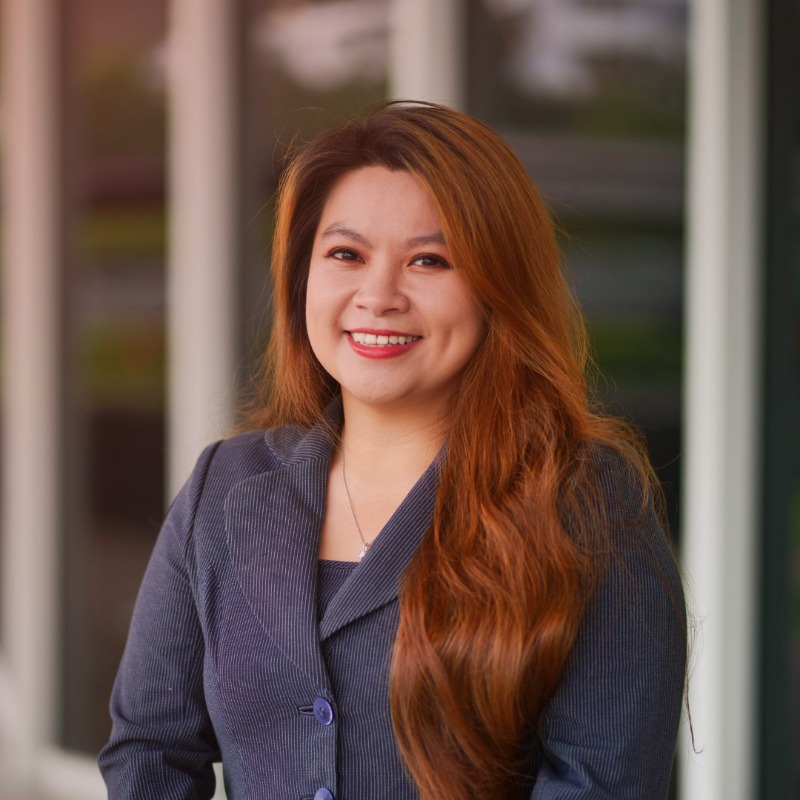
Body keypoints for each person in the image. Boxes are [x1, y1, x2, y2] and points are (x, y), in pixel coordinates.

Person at [98, 100, 686, 800]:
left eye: (430, 261)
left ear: (497, 289)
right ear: (301, 277)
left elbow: (601, 785)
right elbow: (150, 756)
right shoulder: (225, 488)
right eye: (346, 254)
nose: (378, 295)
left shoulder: (585, 500)